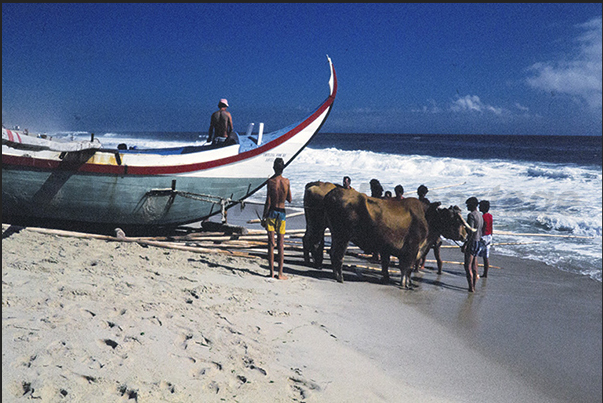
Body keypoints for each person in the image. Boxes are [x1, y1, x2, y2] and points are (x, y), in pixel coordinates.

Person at [262, 158, 292, 280]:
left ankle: (271, 272)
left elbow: (268, 201)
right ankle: (280, 273)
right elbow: (289, 199)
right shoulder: (287, 181)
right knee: (280, 244)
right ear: (283, 168)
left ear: (274, 168)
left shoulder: (270, 181)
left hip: (272, 212)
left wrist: (264, 216)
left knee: (271, 244)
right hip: (282, 213)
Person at [415, 185, 443, 274]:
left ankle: (418, 267)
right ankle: (438, 270)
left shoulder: (417, 202)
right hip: (430, 229)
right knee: (434, 253)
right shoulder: (427, 202)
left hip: (422, 228)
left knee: (420, 249)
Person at [462, 197, 483, 292]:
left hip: (472, 241)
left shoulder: (471, 215)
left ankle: (471, 287)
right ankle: (473, 286)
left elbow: (470, 231)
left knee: (467, 266)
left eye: (468, 205)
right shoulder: (480, 215)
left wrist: (466, 243)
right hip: (478, 241)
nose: (467, 207)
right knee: (474, 265)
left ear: (472, 205)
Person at [478, 200, 493, 278]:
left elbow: (482, 228)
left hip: (483, 236)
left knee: (475, 255)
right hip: (489, 236)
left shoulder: (482, 217)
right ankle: (485, 273)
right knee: (486, 257)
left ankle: (475, 271)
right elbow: (491, 226)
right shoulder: (490, 216)